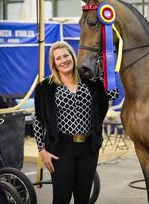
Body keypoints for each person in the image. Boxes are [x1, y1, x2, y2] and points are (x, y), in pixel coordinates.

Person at [34, 41, 118, 204]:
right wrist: (42, 150)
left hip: (88, 148)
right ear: (53, 63)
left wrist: (106, 72)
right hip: (61, 149)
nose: (63, 60)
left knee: (83, 198)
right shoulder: (45, 87)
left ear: (72, 57)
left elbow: (113, 94)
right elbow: (39, 120)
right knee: (62, 198)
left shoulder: (91, 82)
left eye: (66, 55)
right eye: (58, 58)